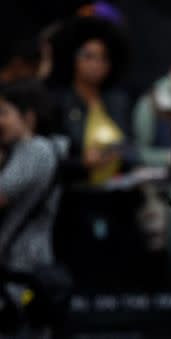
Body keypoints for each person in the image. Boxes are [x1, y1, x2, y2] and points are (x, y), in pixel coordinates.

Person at [0, 80, 68, 337]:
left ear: (28, 117)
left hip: (23, 270)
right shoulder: (19, 150)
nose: (0, 121)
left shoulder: (35, 150)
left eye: (5, 113)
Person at [50, 16, 134, 186]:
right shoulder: (59, 102)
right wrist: (82, 162)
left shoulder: (118, 101)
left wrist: (120, 154)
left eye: (102, 58)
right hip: (77, 193)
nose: (96, 64)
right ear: (72, 58)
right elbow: (51, 157)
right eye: (88, 56)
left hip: (119, 191)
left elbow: (131, 146)